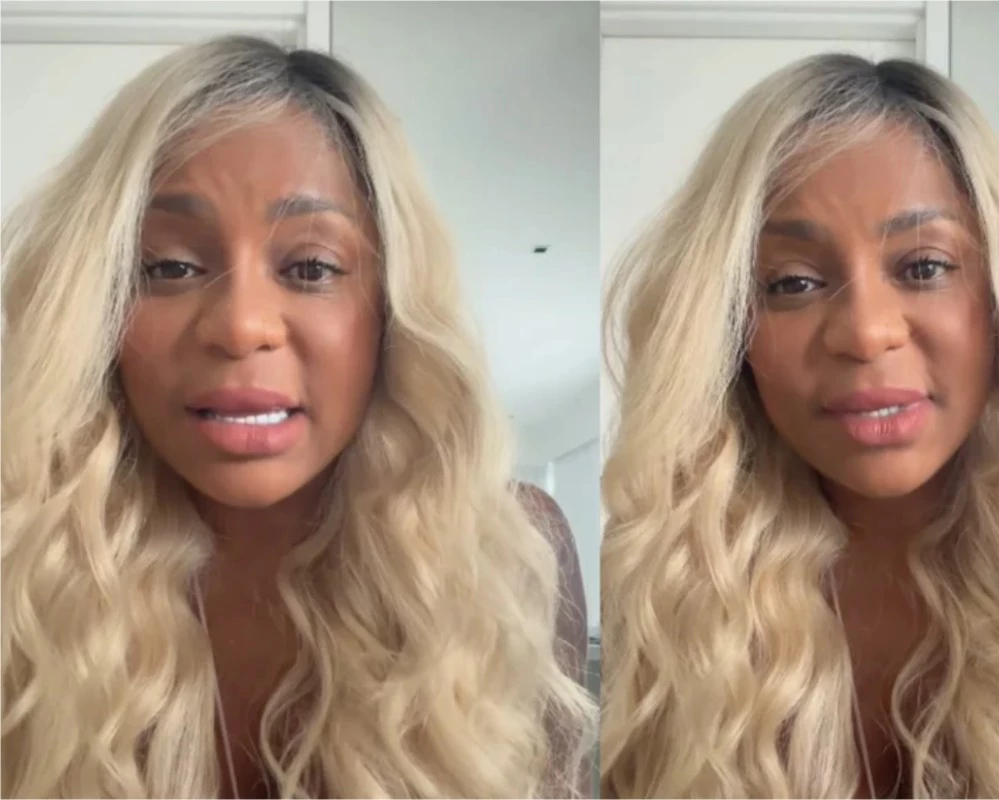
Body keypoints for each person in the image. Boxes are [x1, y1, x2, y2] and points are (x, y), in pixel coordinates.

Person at [1, 36, 594, 798]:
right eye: (170, 266)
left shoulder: (514, 561)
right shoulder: (23, 573)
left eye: (311, 267)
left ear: (391, 309)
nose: (241, 325)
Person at [599, 53, 999, 798]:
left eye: (923, 267)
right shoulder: (661, 579)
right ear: (727, 331)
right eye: (792, 282)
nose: (866, 332)